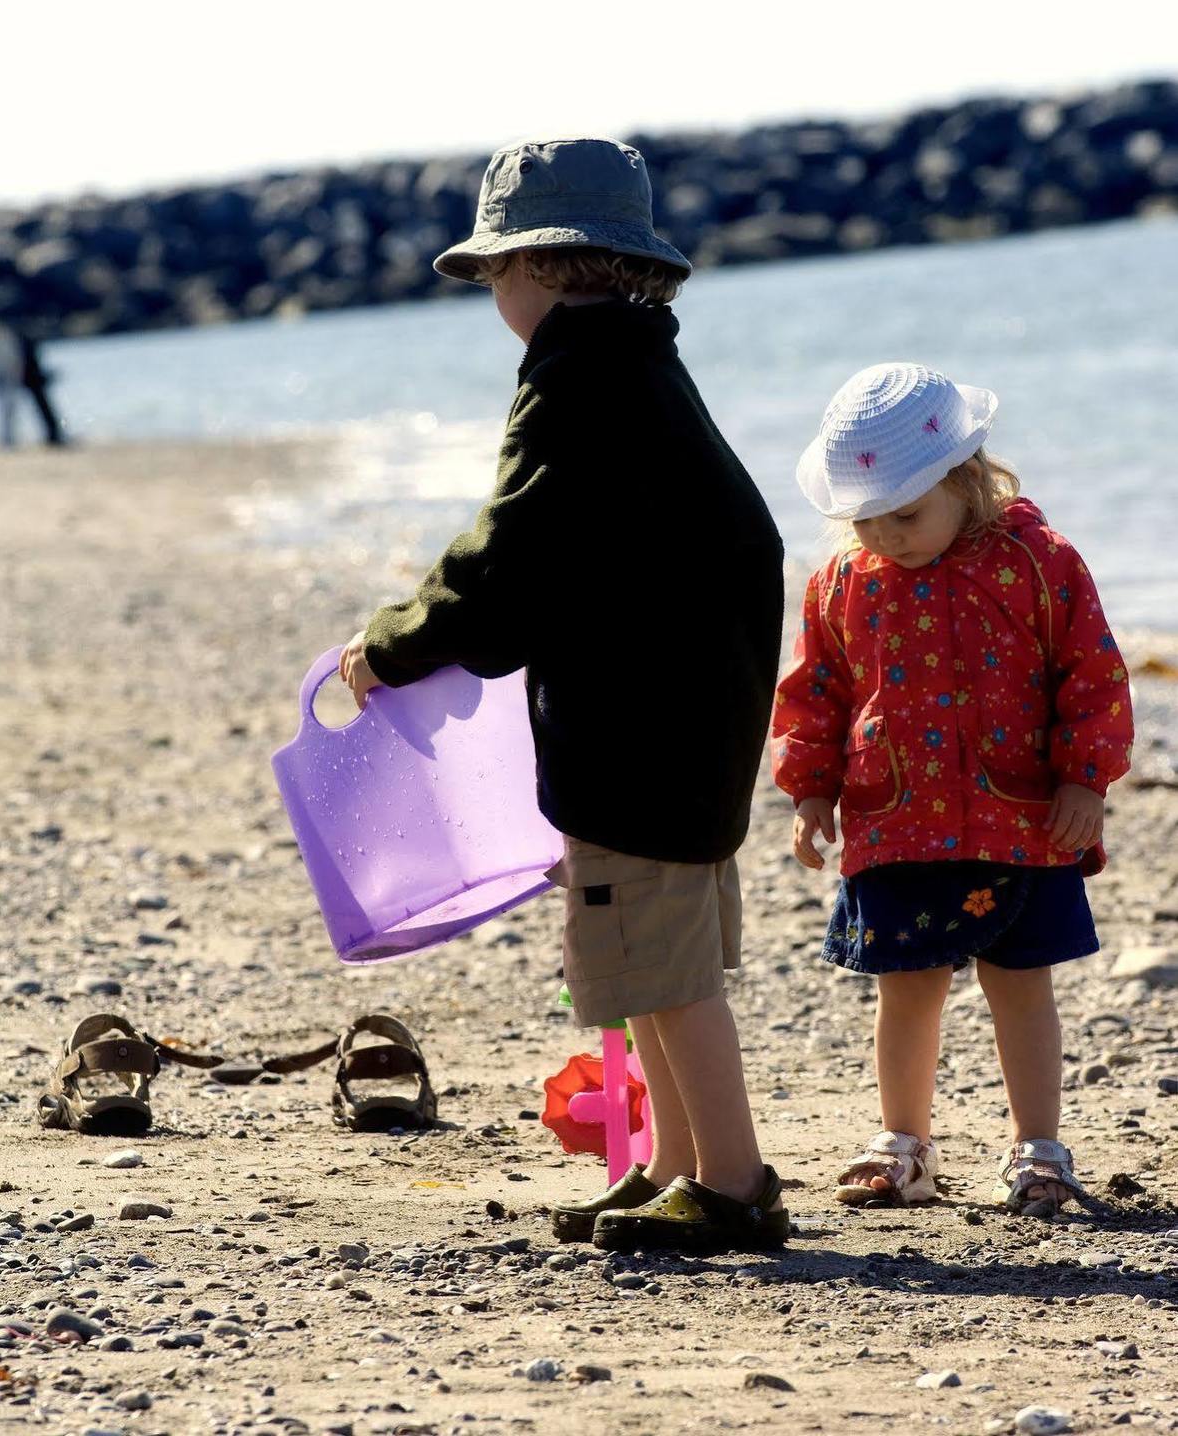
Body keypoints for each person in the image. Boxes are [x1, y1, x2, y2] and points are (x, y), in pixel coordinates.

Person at [338, 137, 789, 1252]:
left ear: (538, 267)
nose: (497, 294)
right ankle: (676, 1167)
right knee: (655, 963)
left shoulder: (577, 376)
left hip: (638, 730)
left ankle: (734, 1185)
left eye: (495, 273)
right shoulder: (642, 362)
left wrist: (394, 645)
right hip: (696, 715)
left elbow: (511, 552)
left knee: (665, 975)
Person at [772, 362, 1133, 1212]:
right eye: (864, 519)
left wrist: (1086, 779)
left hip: (1021, 815)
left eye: (904, 513)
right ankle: (904, 1142)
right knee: (907, 988)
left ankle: (1037, 1147)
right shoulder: (839, 584)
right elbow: (815, 691)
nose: (886, 536)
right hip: (894, 818)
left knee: (1019, 983)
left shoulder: (1035, 565)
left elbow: (1089, 672)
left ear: (964, 480)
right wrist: (809, 789)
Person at [0, 316, 66, 446]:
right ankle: (9, 439)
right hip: (10, 374)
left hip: (13, 374)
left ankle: (9, 439)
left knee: (11, 406)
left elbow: (9, 355)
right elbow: (7, 355)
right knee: (13, 406)